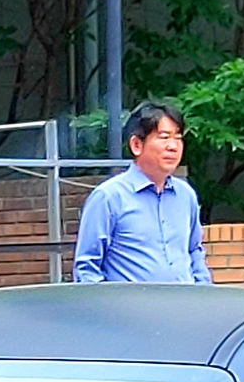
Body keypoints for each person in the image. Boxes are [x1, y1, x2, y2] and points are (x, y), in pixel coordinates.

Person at [73, 100, 213, 284]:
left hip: (184, 309)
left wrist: (204, 292)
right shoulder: (108, 197)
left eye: (178, 137)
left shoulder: (186, 195)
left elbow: (194, 251)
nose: (173, 146)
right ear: (137, 145)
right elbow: (87, 268)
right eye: (164, 137)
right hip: (129, 310)